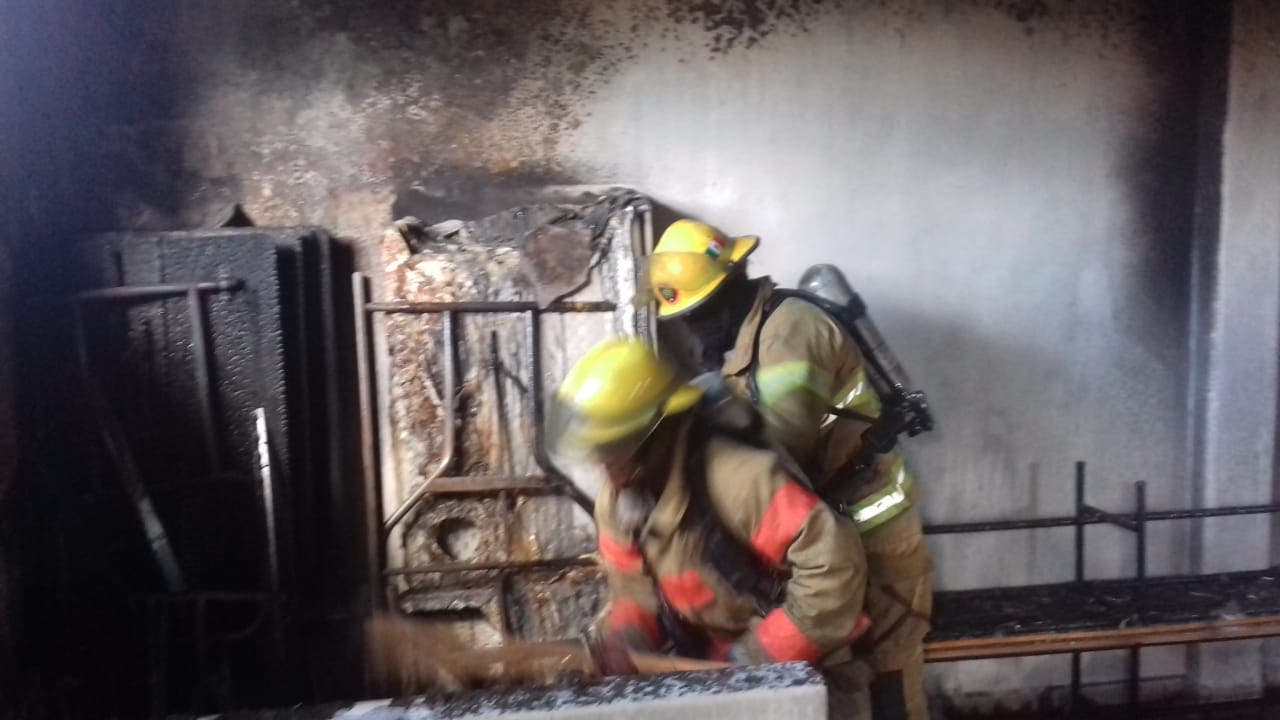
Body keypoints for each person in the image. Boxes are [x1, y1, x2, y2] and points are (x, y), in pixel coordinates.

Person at [640, 219, 934, 720]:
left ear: (730, 289)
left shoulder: (790, 333)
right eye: (686, 317)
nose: (695, 328)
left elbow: (780, 449)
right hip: (832, 531)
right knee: (842, 671)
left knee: (889, 669)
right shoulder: (746, 338)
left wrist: (703, 418)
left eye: (700, 313)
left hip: (876, 529)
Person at [549, 337, 870, 673]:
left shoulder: (738, 479)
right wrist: (628, 645)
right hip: (713, 666)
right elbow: (632, 590)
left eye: (612, 450)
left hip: (806, 665)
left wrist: (753, 661)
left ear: (653, 436)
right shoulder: (619, 504)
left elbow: (833, 572)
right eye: (597, 451)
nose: (600, 466)